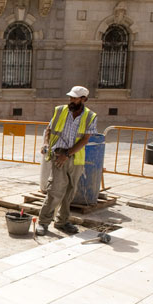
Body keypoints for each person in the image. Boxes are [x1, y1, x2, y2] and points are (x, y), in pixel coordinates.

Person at [36, 86, 98, 236]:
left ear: (84, 99)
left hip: (75, 158)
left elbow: (85, 140)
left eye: (75, 98)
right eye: (70, 97)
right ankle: (43, 222)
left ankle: (62, 222)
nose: (71, 100)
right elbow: (49, 129)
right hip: (59, 155)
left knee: (70, 192)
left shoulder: (90, 116)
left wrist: (68, 154)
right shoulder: (60, 110)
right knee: (55, 190)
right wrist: (46, 143)